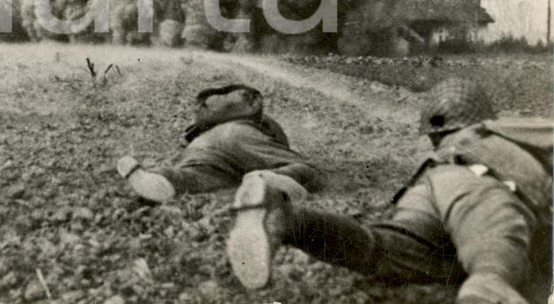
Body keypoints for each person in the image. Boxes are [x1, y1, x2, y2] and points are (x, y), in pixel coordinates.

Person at [226, 78, 552, 304]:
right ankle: (489, 285)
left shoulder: (436, 155)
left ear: (433, 134)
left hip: (425, 186)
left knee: (383, 247)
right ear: (479, 118)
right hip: (480, 181)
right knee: (493, 260)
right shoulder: (494, 131)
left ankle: (291, 220)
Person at [116, 84, 324, 203]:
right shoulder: (257, 121)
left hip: (201, 146)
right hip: (239, 137)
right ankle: (270, 179)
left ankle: (160, 179)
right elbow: (280, 144)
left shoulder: (206, 119)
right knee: (306, 169)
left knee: (193, 176)